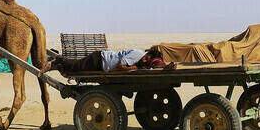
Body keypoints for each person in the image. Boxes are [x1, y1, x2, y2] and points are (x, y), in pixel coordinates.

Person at [41, 47, 176, 74]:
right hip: (99, 60)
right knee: (75, 66)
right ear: (147, 55)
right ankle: (56, 62)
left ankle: (58, 65)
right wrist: (137, 68)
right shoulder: (137, 55)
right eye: (147, 60)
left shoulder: (143, 59)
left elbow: (153, 68)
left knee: (76, 66)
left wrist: (167, 67)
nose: (146, 62)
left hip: (102, 61)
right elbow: (119, 67)